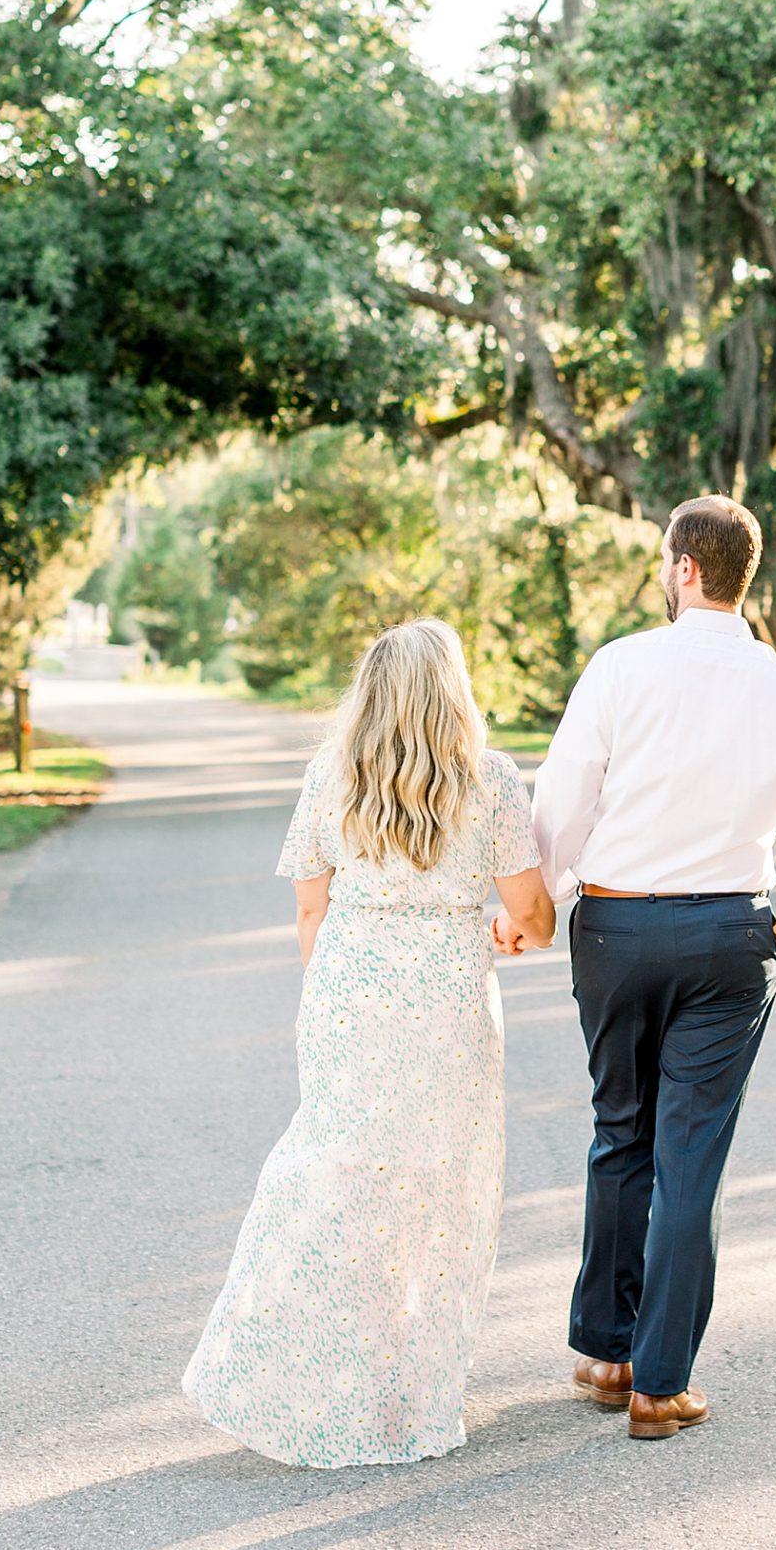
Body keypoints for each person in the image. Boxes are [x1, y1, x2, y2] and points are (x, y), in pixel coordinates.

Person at [183, 618, 554, 1468]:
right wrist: (500, 927)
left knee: (335, 1174)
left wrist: (333, 996)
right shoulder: (489, 781)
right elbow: (532, 917)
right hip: (449, 1003)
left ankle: (284, 1371)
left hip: (347, 994)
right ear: (451, 691)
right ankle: (408, 1391)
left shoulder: (329, 774)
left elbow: (310, 909)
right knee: (436, 1192)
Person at [532, 494, 776, 1441]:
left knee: (617, 1131)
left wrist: (546, 904)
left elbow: (562, 797)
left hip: (616, 930)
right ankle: (659, 1386)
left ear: (683, 568)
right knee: (690, 1161)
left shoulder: (619, 665)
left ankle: (604, 1352)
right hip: (730, 939)